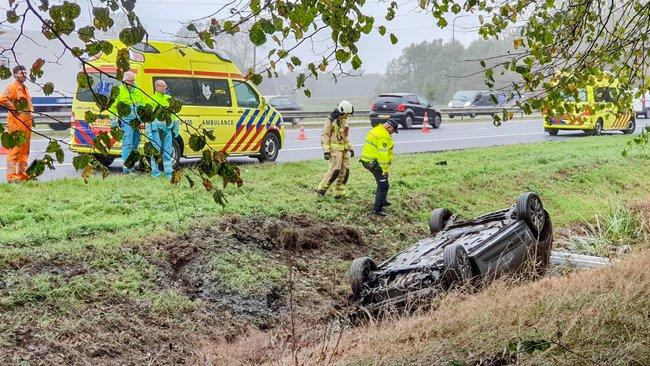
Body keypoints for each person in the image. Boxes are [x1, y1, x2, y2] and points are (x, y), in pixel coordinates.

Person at [0, 65, 33, 183]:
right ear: (14, 75)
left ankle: (22, 175)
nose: (24, 75)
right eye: (21, 73)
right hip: (16, 125)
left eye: (25, 72)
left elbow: (29, 105)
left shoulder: (26, 88)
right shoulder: (12, 87)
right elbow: (2, 99)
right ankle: (12, 177)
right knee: (15, 151)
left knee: (24, 152)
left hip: (26, 125)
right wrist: (15, 109)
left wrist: (32, 117)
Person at [316, 100, 355, 198]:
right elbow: (325, 135)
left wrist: (350, 148)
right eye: (346, 114)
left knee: (345, 171)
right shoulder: (330, 120)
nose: (347, 116)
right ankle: (322, 190)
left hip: (344, 150)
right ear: (342, 111)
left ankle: (339, 192)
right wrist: (326, 151)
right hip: (335, 151)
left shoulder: (344, 121)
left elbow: (345, 137)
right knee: (335, 170)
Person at [360, 118, 398, 216]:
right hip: (374, 163)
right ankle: (377, 209)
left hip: (366, 160)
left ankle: (383, 200)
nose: (392, 133)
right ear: (389, 127)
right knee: (383, 185)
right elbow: (383, 155)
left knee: (383, 181)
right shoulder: (383, 136)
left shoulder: (376, 129)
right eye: (393, 131)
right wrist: (384, 169)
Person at [110, 71, 145, 174]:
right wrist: (113, 120)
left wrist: (143, 117)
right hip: (126, 121)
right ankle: (127, 169)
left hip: (136, 121)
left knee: (135, 145)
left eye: (133, 81)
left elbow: (143, 103)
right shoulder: (118, 91)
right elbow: (112, 107)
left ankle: (131, 166)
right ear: (125, 81)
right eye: (130, 81)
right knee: (127, 144)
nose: (132, 83)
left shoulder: (137, 90)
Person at [145, 79, 178, 179]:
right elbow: (148, 116)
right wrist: (148, 130)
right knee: (156, 151)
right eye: (163, 86)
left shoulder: (169, 98)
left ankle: (169, 173)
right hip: (156, 129)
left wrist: (176, 127)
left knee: (168, 151)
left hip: (167, 129)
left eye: (165, 85)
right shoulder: (151, 100)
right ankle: (155, 173)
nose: (165, 87)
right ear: (157, 87)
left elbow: (174, 114)